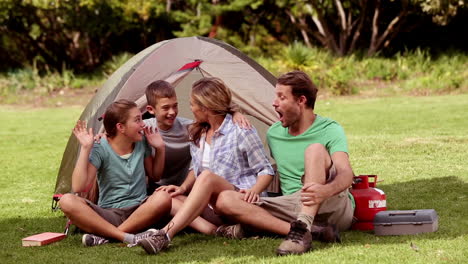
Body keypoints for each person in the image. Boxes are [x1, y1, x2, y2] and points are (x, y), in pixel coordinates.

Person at [214, 70, 355, 256]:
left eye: (281, 97)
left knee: (315, 150)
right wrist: (234, 112)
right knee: (225, 200)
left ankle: (293, 228)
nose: (274, 103)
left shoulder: (330, 129)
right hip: (292, 205)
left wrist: (324, 191)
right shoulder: (274, 134)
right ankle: (309, 231)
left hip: (331, 204)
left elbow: (346, 173)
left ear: (301, 100)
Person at [137, 77, 275, 254]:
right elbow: (196, 169)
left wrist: (254, 190)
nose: (191, 108)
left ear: (206, 107)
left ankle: (164, 235)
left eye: (193, 104)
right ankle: (220, 231)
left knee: (208, 177)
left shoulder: (241, 129)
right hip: (214, 207)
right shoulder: (198, 132)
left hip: (239, 200)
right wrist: (183, 188)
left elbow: (266, 169)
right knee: (168, 197)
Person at [59, 99, 172, 247]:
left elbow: (155, 175)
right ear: (121, 127)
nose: (143, 124)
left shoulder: (141, 141)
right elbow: (79, 186)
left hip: (140, 211)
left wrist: (160, 149)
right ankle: (126, 236)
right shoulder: (100, 147)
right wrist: (86, 148)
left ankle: (108, 237)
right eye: (137, 120)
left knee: (163, 197)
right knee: (66, 200)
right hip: (109, 213)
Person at [143, 80, 251, 192]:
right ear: (151, 110)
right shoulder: (145, 129)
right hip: (157, 188)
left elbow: (215, 117)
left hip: (188, 187)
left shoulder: (190, 128)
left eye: (175, 106)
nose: (172, 112)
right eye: (165, 108)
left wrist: (234, 113)